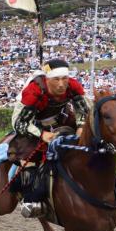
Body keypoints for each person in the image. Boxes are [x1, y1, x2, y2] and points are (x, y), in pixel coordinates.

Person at [11, 58, 90, 217]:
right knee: (28, 154)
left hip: (63, 118)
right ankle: (29, 199)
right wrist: (42, 134)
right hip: (33, 124)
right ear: (48, 79)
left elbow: (83, 110)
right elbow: (18, 123)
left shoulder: (73, 86)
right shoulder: (33, 92)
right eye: (56, 79)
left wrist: (81, 126)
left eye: (64, 79)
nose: (61, 84)